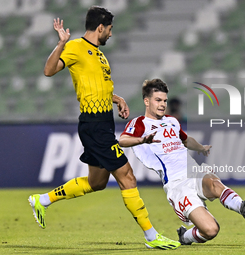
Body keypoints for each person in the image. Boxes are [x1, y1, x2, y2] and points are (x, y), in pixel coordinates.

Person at [28, 6, 180, 250]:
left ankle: (42, 200)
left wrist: (117, 99)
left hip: (103, 123)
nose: (110, 34)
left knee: (97, 182)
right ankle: (152, 236)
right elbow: (48, 71)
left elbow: (99, 87)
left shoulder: (99, 55)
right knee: (127, 177)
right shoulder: (75, 47)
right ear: (100, 27)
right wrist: (61, 44)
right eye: (109, 29)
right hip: (94, 124)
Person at [119, 78, 245, 245]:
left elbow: (185, 140)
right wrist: (142, 140)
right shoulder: (140, 123)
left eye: (164, 100)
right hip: (177, 184)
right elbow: (123, 140)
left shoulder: (171, 121)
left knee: (213, 182)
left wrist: (201, 148)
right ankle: (185, 237)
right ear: (146, 101)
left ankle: (242, 207)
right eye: (158, 100)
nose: (162, 104)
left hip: (193, 172)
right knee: (211, 230)